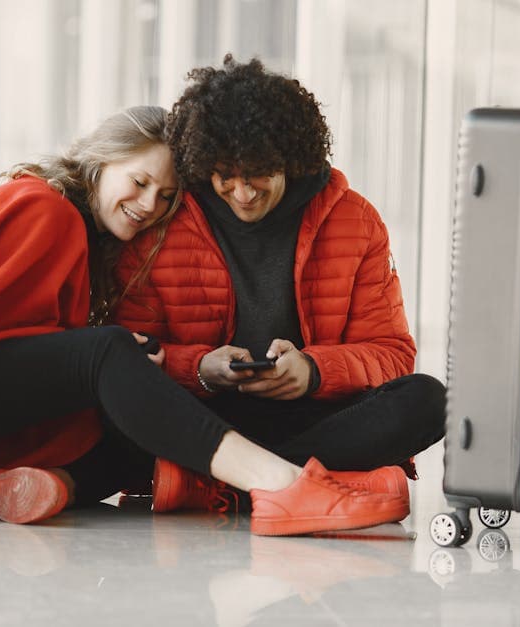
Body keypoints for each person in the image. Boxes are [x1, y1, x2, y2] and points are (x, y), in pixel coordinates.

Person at [0, 104, 410, 536]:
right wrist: (109, 352)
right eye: (139, 181)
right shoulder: (45, 209)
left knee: (120, 383)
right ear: (100, 162)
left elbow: (37, 351)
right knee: (105, 355)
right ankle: (281, 486)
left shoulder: (88, 234)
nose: (149, 204)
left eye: (166, 196)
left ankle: (68, 483)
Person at [114, 56, 446, 517]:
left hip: (314, 416)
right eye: (225, 175)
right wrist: (201, 369)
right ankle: (316, 484)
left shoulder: (356, 220)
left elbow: (392, 354)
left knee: (427, 400)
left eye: (259, 175)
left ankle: (226, 486)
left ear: (291, 159)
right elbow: (128, 359)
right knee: (108, 413)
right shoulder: (166, 218)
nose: (243, 193)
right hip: (206, 418)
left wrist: (312, 373)